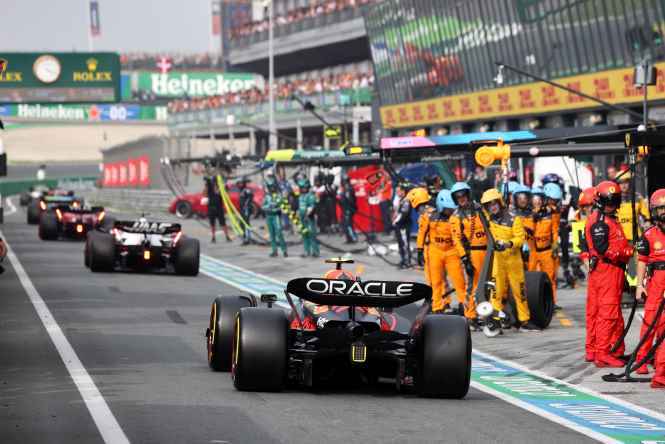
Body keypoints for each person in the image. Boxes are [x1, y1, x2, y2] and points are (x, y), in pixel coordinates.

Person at [585, 181, 633, 367]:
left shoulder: (607, 218)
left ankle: (601, 349)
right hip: (607, 271)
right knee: (608, 313)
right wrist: (628, 252)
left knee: (600, 312)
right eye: (607, 202)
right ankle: (602, 353)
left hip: (608, 271)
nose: (611, 205)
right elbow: (603, 249)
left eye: (614, 201)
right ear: (599, 201)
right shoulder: (600, 221)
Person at [481, 188, 540, 331]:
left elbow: (521, 238)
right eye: (489, 205)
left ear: (499, 203)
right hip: (498, 261)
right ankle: (495, 322)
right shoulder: (487, 219)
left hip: (514, 260)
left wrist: (508, 244)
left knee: (520, 292)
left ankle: (524, 321)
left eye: (494, 203)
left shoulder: (514, 218)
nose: (492, 207)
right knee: (496, 292)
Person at [423, 189, 478, 324]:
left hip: (452, 253)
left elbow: (460, 238)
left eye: (452, 209)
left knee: (460, 283)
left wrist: (464, 257)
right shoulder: (430, 217)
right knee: (436, 282)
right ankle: (437, 308)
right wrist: (420, 250)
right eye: (448, 209)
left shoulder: (456, 218)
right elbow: (422, 234)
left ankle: (465, 309)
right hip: (435, 251)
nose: (450, 211)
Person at [634, 189, 665, 378]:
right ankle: (641, 360)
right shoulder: (648, 235)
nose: (664, 213)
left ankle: (661, 360)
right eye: (660, 209)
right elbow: (642, 261)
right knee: (650, 322)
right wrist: (639, 285)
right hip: (655, 284)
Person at [449, 182, 487, 297]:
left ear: (468, 195)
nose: (461, 199)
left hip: (489, 251)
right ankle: (470, 313)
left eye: (463, 195)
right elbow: (457, 240)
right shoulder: (456, 217)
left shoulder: (481, 209)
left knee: (492, 283)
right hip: (473, 255)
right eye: (457, 196)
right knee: (474, 285)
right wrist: (465, 260)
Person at [529, 185, 559, 306]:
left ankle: (552, 302)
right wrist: (533, 219)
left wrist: (555, 245)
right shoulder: (528, 214)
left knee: (550, 277)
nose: (537, 201)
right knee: (531, 278)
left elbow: (555, 231)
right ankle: (533, 302)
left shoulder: (550, 213)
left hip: (546, 250)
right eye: (535, 199)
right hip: (533, 251)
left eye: (539, 198)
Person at [616, 170, 650, 243]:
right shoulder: (614, 199)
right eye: (621, 183)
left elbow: (647, 217)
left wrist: (647, 225)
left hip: (636, 237)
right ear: (618, 184)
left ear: (630, 183)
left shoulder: (637, 198)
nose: (623, 185)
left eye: (626, 182)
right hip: (620, 238)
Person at [410, 187, 433, 277]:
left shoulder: (425, 216)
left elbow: (421, 234)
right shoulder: (434, 210)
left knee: (432, 276)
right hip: (439, 246)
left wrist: (420, 250)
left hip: (431, 248)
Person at [262, 179, 288, 257]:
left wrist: (276, 208)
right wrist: (268, 207)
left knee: (279, 233)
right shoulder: (267, 197)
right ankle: (274, 251)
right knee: (272, 234)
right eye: (270, 187)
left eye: (273, 187)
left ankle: (284, 250)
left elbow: (283, 207)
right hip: (268, 216)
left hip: (276, 216)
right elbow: (262, 206)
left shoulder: (278, 196)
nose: (272, 188)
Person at [204, 174, 231, 243]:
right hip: (211, 208)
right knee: (212, 224)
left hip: (219, 208)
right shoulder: (210, 188)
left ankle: (227, 236)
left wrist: (223, 186)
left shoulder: (221, 188)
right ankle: (213, 237)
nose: (215, 184)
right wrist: (207, 182)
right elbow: (205, 192)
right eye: (214, 182)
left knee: (223, 223)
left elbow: (227, 192)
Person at [392, 183, 412, 269]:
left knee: (404, 243)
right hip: (399, 225)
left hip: (403, 226)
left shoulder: (406, 200)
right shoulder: (401, 200)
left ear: (403, 191)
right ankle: (403, 259)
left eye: (398, 191)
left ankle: (407, 261)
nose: (397, 193)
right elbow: (398, 213)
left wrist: (397, 222)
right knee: (401, 243)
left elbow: (404, 214)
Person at [298, 178, 320, 257]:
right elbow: (300, 207)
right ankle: (307, 251)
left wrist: (307, 215)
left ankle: (315, 251)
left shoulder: (310, 196)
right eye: (301, 188)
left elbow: (312, 206)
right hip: (302, 218)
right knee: (304, 235)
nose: (302, 189)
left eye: (304, 187)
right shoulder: (300, 197)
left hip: (309, 218)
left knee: (312, 235)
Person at [338, 175, 358, 243]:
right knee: (345, 224)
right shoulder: (346, 189)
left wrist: (349, 208)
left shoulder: (348, 189)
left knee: (348, 224)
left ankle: (353, 238)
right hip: (345, 209)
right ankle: (348, 238)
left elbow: (350, 200)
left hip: (348, 209)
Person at [238, 178, 254, 245]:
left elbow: (251, 196)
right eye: (239, 183)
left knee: (246, 223)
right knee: (241, 224)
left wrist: (246, 205)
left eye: (241, 183)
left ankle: (248, 238)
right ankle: (245, 237)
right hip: (242, 210)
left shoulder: (246, 190)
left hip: (246, 209)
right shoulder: (241, 191)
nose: (239, 185)